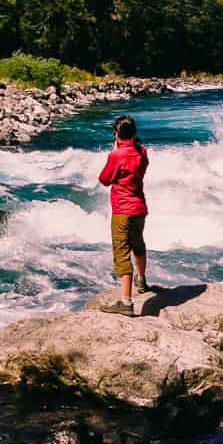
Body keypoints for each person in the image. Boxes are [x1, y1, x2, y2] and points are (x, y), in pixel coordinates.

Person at [96, 114, 153, 316]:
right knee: (138, 244)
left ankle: (126, 302)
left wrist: (115, 151)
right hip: (139, 208)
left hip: (122, 210)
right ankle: (142, 280)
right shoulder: (142, 152)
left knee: (121, 252)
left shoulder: (117, 156)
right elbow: (141, 166)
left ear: (117, 134)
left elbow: (104, 179)